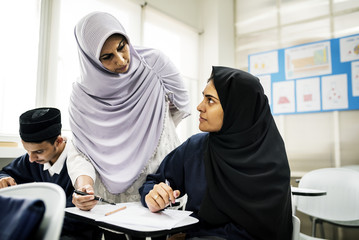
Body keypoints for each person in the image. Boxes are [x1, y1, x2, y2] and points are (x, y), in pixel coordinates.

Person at [139, 66, 293, 240]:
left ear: (237, 109)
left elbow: (262, 232)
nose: (199, 107)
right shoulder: (197, 146)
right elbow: (155, 180)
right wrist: (154, 195)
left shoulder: (270, 164)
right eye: (203, 98)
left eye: (210, 100)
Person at [68, 11, 190, 211]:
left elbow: (178, 107)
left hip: (159, 181)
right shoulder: (82, 96)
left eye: (122, 47)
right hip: (111, 198)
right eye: (107, 57)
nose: (121, 60)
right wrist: (84, 186)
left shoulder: (155, 64)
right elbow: (81, 150)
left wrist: (149, 129)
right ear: (91, 59)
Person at [0, 107, 99, 240]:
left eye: (38, 151)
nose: (31, 159)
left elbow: (76, 222)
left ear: (59, 141)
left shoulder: (79, 163)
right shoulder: (33, 160)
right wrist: (4, 178)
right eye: (27, 151)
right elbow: (5, 172)